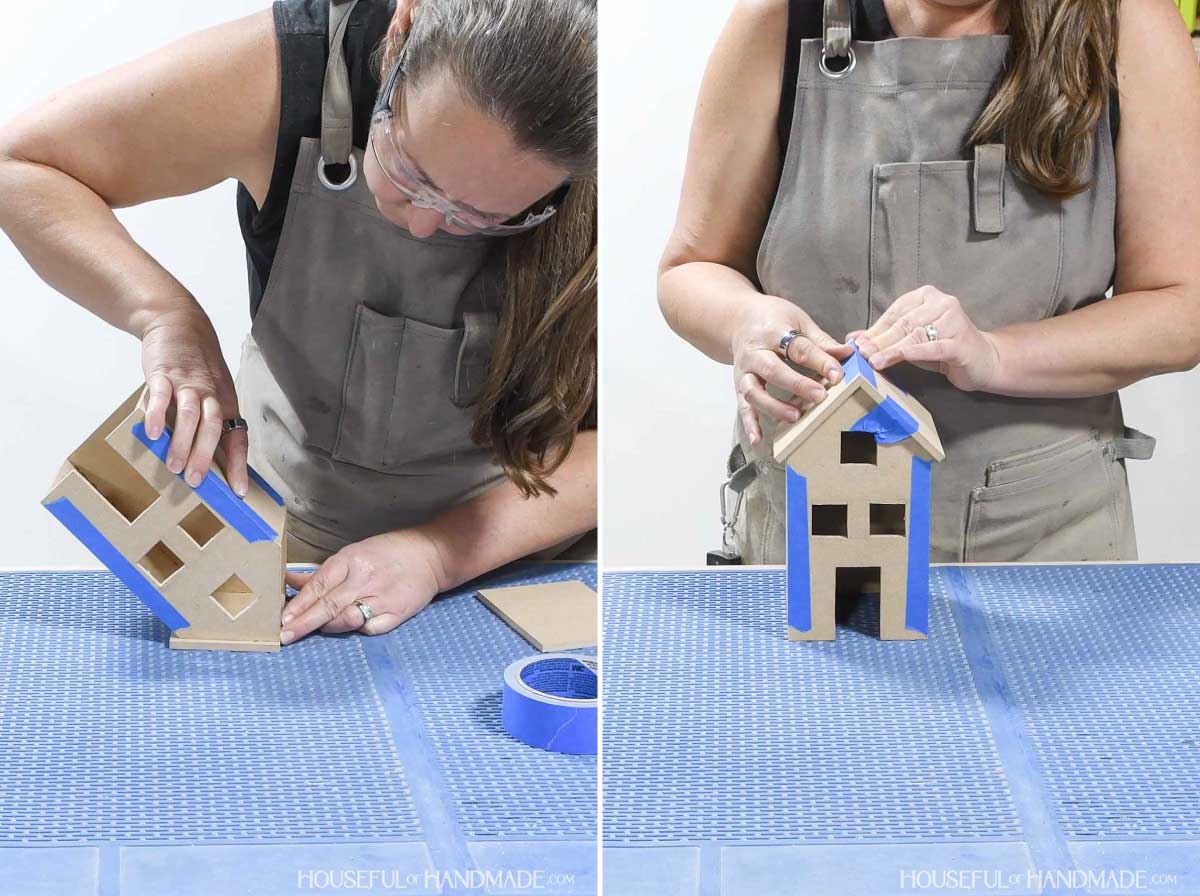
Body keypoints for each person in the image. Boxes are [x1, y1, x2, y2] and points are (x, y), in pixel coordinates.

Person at [0, 0, 597, 641]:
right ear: (399, 39)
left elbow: (609, 447)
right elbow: (23, 170)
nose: (425, 225)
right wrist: (165, 315)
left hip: (513, 568)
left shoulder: (606, 148)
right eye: (410, 172)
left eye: (483, 217)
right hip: (292, 572)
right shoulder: (295, 70)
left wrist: (438, 553)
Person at [658, 0, 1200, 564]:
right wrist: (746, 324)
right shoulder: (782, 18)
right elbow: (691, 268)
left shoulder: (1125, 20)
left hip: (1048, 548)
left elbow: (1182, 310)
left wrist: (995, 355)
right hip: (815, 540)